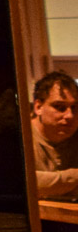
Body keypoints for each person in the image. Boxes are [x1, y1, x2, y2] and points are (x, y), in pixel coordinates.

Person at [34, 71, 78, 199]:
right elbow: (23, 183)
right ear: (38, 107)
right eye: (59, 107)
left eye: (74, 107)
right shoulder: (20, 137)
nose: (70, 115)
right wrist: (73, 178)